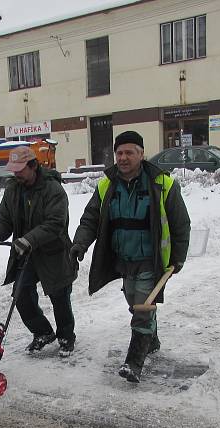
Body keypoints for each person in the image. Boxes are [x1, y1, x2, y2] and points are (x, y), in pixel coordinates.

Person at [70, 131, 190, 382]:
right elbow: (90, 218)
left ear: (141, 154)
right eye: (119, 153)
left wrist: (178, 257)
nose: (123, 158)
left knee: (142, 308)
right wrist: (80, 243)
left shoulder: (162, 184)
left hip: (151, 258)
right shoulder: (107, 185)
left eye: (129, 152)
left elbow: (181, 224)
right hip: (123, 259)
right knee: (133, 302)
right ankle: (151, 340)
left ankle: (133, 363)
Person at [0, 145, 78, 357]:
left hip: (53, 251)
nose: (16, 174)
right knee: (21, 293)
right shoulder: (14, 188)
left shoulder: (53, 190)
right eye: (13, 170)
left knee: (59, 295)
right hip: (25, 252)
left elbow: (55, 224)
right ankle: (42, 332)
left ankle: (65, 336)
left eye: (20, 170)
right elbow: (4, 220)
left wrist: (29, 239)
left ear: (33, 166)